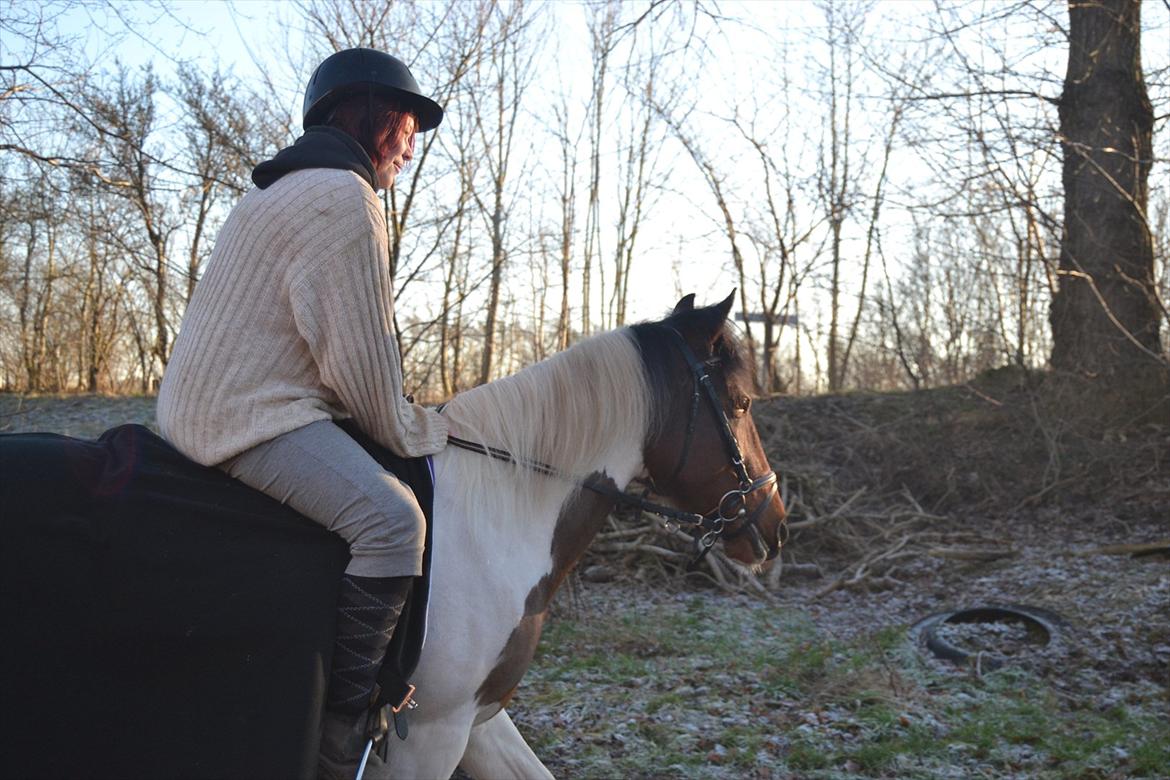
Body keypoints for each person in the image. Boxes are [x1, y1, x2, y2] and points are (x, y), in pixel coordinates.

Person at [156, 48, 448, 778]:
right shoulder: (346, 200)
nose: (412, 148)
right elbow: (363, 373)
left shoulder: (278, 191)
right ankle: (340, 733)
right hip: (247, 418)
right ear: (374, 114)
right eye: (410, 128)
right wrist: (431, 429)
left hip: (216, 404)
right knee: (393, 522)